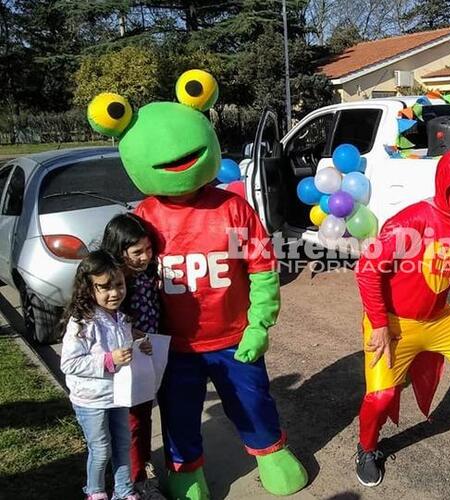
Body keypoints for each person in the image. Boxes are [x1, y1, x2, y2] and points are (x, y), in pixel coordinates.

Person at [86, 69, 307, 498]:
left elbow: (262, 266)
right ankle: (186, 471)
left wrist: (260, 322)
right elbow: (119, 279)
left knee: (254, 401)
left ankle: (269, 451)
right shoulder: (142, 217)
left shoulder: (233, 207)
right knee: (179, 413)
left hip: (234, 336)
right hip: (171, 345)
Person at [354, 148, 450, 487]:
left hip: (439, 318)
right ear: (442, 184)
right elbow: (368, 270)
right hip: (393, 321)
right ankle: (367, 448)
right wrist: (380, 324)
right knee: (381, 396)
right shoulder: (411, 220)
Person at [60, 250, 153, 500]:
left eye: (119, 285)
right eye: (104, 287)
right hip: (91, 400)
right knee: (101, 449)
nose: (114, 293)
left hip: (118, 395)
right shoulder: (82, 322)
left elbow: (122, 341)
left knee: (123, 444)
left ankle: (123, 491)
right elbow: (69, 363)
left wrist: (140, 341)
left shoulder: (121, 318)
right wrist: (109, 359)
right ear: (89, 289)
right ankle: (96, 491)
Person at [101, 213, 166, 500]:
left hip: (146, 357)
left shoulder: (143, 275)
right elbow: (105, 323)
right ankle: (131, 484)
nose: (145, 257)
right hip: (125, 362)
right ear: (119, 251)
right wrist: (134, 334)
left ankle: (139, 473)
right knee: (131, 425)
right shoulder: (115, 284)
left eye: (149, 249)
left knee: (142, 418)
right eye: (137, 252)